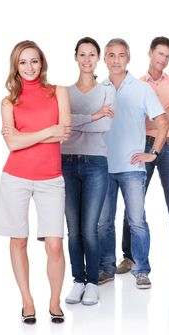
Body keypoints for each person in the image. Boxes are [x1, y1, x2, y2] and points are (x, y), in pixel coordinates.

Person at [0, 40, 70, 324]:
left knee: (54, 244)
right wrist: (47, 130)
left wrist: (27, 136)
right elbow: (11, 145)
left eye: (34, 61)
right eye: (23, 62)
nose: (29, 67)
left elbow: (64, 133)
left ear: (42, 63)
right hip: (15, 177)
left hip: (51, 178)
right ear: (16, 66)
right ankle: (27, 301)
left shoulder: (58, 93)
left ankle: (54, 301)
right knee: (18, 240)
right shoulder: (8, 102)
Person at [118, 36, 169, 275]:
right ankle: (128, 257)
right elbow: (137, 118)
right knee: (134, 203)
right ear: (150, 53)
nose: (163, 59)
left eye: (167, 56)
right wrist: (167, 113)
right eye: (160, 54)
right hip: (144, 145)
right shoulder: (137, 85)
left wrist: (157, 113)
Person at [98, 38, 169, 289]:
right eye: (111, 55)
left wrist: (154, 153)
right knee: (103, 222)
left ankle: (141, 269)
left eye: (120, 55)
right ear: (104, 59)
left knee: (136, 220)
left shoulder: (142, 89)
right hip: (103, 167)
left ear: (128, 58)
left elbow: (163, 122)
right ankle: (106, 268)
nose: (115, 60)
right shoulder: (99, 88)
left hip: (132, 168)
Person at [61, 37, 114, 305]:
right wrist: (93, 117)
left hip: (95, 163)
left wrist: (75, 123)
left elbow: (105, 128)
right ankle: (78, 281)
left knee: (89, 228)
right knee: (73, 230)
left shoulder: (107, 91)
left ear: (98, 59)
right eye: (82, 54)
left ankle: (92, 281)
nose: (86, 59)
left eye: (92, 55)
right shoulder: (64, 92)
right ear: (75, 57)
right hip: (66, 163)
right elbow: (63, 126)